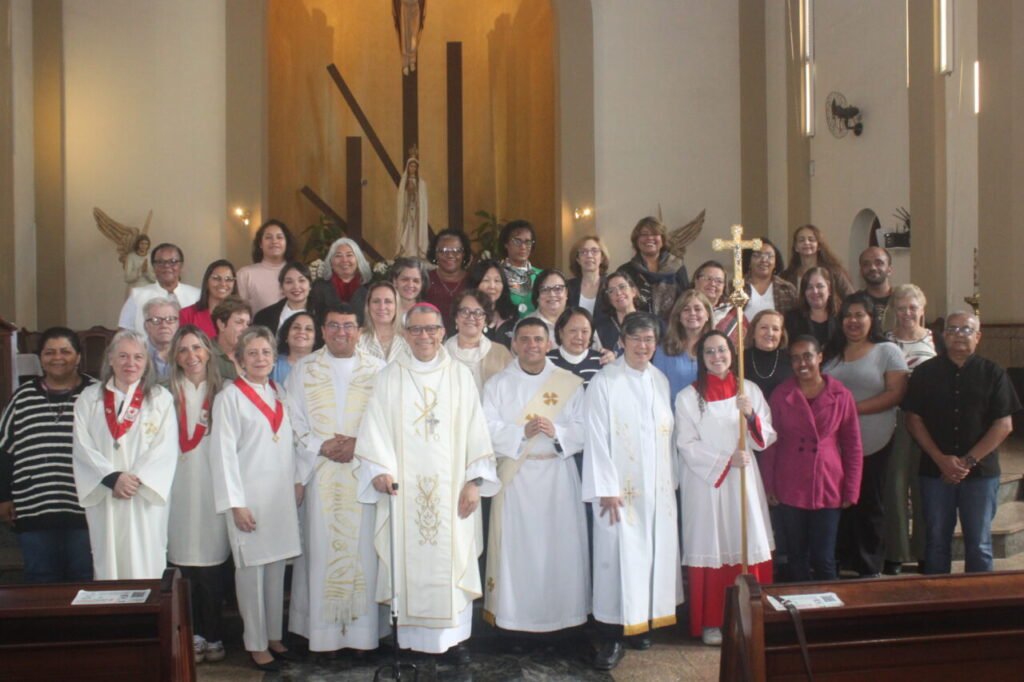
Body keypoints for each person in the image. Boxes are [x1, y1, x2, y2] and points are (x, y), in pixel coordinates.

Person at [355, 303, 499, 664]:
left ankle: (454, 645)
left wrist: (473, 481)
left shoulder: (460, 376)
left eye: (430, 329)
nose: (423, 336)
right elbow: (375, 430)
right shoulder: (390, 377)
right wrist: (379, 470)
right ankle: (409, 646)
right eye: (415, 330)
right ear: (405, 335)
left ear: (441, 332)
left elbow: (476, 431)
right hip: (404, 493)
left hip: (452, 493)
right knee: (408, 560)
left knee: (452, 562)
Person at [286, 304, 389, 657]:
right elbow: (293, 420)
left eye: (348, 326)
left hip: (363, 474)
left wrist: (360, 445)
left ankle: (362, 637)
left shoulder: (378, 370)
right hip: (321, 473)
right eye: (333, 325)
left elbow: (388, 421)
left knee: (363, 554)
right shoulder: (303, 370)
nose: (341, 332)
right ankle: (325, 638)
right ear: (323, 330)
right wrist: (322, 445)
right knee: (322, 551)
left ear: (360, 330)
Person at [583, 312, 682, 670]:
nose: (644, 346)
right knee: (616, 559)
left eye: (650, 340)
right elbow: (594, 436)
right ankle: (610, 635)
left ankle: (640, 624)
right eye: (636, 338)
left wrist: (670, 481)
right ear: (622, 341)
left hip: (656, 492)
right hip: (619, 492)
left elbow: (666, 434)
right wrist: (605, 487)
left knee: (650, 557)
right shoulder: (605, 381)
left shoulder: (659, 380)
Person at [482, 318, 588, 634]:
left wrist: (559, 432)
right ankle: (516, 622)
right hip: (518, 481)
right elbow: (485, 429)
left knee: (560, 550)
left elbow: (585, 429)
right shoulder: (498, 384)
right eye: (525, 339)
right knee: (519, 555)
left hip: (558, 475)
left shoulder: (567, 382)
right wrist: (519, 432)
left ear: (549, 343)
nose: (531, 346)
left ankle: (563, 621)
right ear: (514, 344)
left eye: (538, 339)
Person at [209, 326, 302, 672]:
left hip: (278, 497)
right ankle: (256, 643)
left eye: (266, 352)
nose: (261, 359)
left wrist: (296, 480)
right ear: (238, 359)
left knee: (276, 569)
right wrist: (236, 503)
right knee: (252, 573)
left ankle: (274, 636)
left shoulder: (278, 393)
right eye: (253, 353)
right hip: (249, 499)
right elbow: (223, 455)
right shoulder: (230, 397)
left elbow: (291, 443)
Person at [676, 330, 775, 645]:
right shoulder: (688, 397)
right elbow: (685, 444)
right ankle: (712, 622)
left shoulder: (749, 390)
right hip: (707, 483)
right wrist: (724, 460)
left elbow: (766, 437)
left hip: (743, 479)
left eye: (722, 350)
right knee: (712, 547)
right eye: (709, 352)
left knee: (745, 541)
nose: (717, 357)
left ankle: (751, 617)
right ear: (701, 359)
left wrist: (750, 415)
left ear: (732, 353)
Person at [904, 312, 1021, 574]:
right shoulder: (924, 373)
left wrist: (966, 462)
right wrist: (941, 460)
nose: (959, 334)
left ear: (978, 337)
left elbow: (1004, 425)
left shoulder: (994, 373)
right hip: (935, 472)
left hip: (980, 474)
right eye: (953, 329)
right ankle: (939, 606)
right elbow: (913, 419)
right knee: (935, 542)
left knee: (979, 543)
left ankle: (978, 607)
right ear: (944, 336)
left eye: (967, 330)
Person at [72, 329, 177, 579]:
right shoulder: (89, 398)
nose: (131, 363)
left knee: (146, 561)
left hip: (143, 497)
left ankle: (149, 615)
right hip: (106, 494)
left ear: (146, 362)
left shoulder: (160, 399)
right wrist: (111, 478)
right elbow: (82, 445)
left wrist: (134, 480)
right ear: (110, 359)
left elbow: (165, 448)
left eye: (138, 357)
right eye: (123, 356)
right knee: (108, 562)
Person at [760, 336, 862, 581]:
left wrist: (851, 489)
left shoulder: (841, 395)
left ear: (820, 357)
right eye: (795, 358)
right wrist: (769, 485)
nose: (801, 363)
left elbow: (852, 445)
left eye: (807, 356)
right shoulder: (781, 394)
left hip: (827, 482)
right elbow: (770, 443)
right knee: (796, 556)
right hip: (790, 481)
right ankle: (800, 615)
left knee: (824, 557)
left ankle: (829, 616)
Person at [0, 328, 96, 583]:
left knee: (85, 580)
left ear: (78, 357)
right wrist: (3, 498)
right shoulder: (22, 397)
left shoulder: (96, 394)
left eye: (65, 351)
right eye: (49, 352)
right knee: (40, 582)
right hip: (33, 508)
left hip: (85, 509)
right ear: (40, 358)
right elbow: (4, 451)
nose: (57, 358)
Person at [824, 293, 909, 577]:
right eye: (848, 315)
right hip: (834, 444)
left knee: (870, 504)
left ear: (872, 319)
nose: (853, 321)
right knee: (839, 503)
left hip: (874, 439)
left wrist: (850, 409)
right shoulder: (831, 352)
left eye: (860, 314)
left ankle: (869, 565)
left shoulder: (887, 351)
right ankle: (842, 559)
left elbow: (896, 394)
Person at [166, 326, 230, 664]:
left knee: (212, 567)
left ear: (208, 351)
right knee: (183, 568)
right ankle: (192, 635)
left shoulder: (225, 391)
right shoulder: (163, 393)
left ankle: (215, 632)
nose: (191, 356)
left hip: (213, 488)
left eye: (196, 348)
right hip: (177, 489)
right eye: (183, 350)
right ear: (175, 357)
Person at [882, 283, 937, 575]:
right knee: (895, 485)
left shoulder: (932, 340)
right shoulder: (885, 341)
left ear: (922, 310)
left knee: (923, 486)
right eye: (901, 308)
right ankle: (896, 552)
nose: (907, 313)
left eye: (912, 308)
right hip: (895, 419)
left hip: (927, 421)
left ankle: (925, 550)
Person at [118, 243, 200, 333]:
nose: (167, 266)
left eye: (173, 261)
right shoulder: (137, 295)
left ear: (181, 265)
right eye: (160, 262)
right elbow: (124, 333)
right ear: (153, 267)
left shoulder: (196, 296)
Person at [617, 216, 689, 318]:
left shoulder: (677, 267)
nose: (649, 238)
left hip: (672, 329)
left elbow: (686, 300)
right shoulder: (625, 271)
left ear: (663, 239)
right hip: (637, 328)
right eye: (644, 234)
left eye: (655, 234)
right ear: (636, 240)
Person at [444, 289, 512, 394]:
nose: (471, 317)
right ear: (456, 317)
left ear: (486, 320)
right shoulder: (442, 353)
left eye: (478, 312)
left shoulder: (501, 353)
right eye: (465, 311)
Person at [653, 289, 713, 407]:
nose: (692, 313)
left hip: (710, 418)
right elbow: (656, 390)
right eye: (686, 309)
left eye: (698, 309)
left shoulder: (718, 348)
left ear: (707, 315)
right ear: (678, 317)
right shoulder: (664, 349)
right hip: (674, 418)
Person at [780, 224, 854, 299]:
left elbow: (851, 299)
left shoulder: (834, 272)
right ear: (796, 247)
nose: (806, 243)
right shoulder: (786, 276)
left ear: (818, 246)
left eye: (811, 239)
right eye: (801, 240)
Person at [236, 220, 296, 312]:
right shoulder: (245, 274)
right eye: (268, 237)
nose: (274, 241)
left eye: (279, 237)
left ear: (286, 243)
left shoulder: (297, 273)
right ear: (260, 244)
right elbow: (239, 313)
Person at [424, 228, 472, 334]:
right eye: (443, 251)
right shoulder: (424, 280)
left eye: (456, 251)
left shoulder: (473, 281)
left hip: (466, 340)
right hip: (430, 339)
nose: (450, 255)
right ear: (435, 253)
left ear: (464, 253)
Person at [309, 237, 372, 318]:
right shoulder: (319, 287)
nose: (344, 260)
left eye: (349, 255)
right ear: (331, 261)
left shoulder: (370, 288)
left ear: (358, 260)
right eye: (338, 256)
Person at [547, 307, 605, 388]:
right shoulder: (546, 361)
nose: (579, 337)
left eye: (585, 331)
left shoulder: (603, 362)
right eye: (573, 330)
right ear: (560, 333)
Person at [180, 259, 238, 339]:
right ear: (207, 282)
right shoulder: (187, 314)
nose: (223, 284)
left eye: (228, 279)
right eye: (216, 278)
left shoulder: (241, 316)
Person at [785, 266, 841, 348]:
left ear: (829, 289)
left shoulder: (842, 316)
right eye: (809, 287)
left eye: (820, 286)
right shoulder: (792, 318)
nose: (815, 291)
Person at [742, 238, 798, 320]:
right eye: (757, 255)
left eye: (769, 256)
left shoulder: (787, 289)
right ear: (749, 261)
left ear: (775, 262)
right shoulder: (736, 287)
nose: (764, 260)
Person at [467, 258, 518, 348]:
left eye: (497, 281)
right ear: (475, 284)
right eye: (486, 280)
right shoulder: (464, 315)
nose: (492, 286)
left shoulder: (512, 315)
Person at [252, 261, 313, 335]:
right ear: (281, 288)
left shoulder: (321, 314)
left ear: (310, 285)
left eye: (301, 280)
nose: (296, 286)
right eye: (289, 282)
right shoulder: (263, 316)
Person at [744, 309, 793, 399]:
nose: (770, 333)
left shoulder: (791, 359)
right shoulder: (739, 360)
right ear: (753, 332)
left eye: (775, 329)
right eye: (764, 328)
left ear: (781, 334)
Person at [358, 281, 410, 364]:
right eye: (376, 301)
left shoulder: (408, 339)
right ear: (368, 306)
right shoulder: (358, 339)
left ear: (396, 306)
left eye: (388, 301)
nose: (382, 307)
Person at [499, 220, 542, 317]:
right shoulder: (497, 275)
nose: (523, 246)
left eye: (528, 242)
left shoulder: (541, 276)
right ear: (506, 244)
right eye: (517, 241)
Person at [566, 235, 610, 326]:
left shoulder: (610, 285)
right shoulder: (568, 287)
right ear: (577, 259)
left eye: (594, 251)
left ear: (602, 257)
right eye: (583, 252)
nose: (589, 255)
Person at [595, 270, 641, 353]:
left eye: (622, 287)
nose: (618, 293)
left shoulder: (652, 322)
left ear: (634, 291)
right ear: (609, 299)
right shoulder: (600, 329)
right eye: (611, 291)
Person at [525, 269, 570, 348]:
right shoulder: (525, 325)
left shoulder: (580, 321)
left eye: (558, 289)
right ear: (537, 296)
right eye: (545, 289)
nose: (552, 294)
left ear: (566, 293)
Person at [211, 296, 253, 380]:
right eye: (239, 322)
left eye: (247, 324)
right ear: (221, 325)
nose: (245, 329)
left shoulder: (250, 353)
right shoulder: (206, 354)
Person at [271, 312, 319, 384]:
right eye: (296, 327)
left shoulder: (325, 367)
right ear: (286, 335)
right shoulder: (272, 364)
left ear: (315, 339)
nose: (301, 331)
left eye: (308, 329)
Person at [856, 246, 895, 330]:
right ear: (861, 271)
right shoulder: (854, 302)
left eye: (879, 263)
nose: (872, 268)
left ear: (889, 270)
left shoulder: (902, 300)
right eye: (866, 264)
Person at [397, 156, 428, 258]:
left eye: (415, 166)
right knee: (407, 229)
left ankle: (416, 251)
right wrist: (408, 194)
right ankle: (406, 252)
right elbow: (401, 197)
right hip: (407, 209)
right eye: (411, 166)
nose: (413, 168)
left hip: (417, 211)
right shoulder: (404, 181)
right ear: (408, 167)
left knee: (416, 230)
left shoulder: (421, 183)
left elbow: (423, 200)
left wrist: (416, 195)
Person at [142, 297, 180, 380]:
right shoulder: (137, 354)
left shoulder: (187, 354)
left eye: (170, 319)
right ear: (146, 326)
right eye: (156, 320)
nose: (164, 325)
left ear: (178, 324)